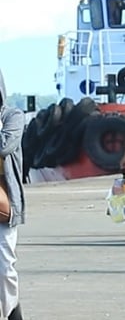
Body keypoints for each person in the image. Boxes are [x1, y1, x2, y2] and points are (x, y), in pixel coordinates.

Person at [0, 69, 25, 319]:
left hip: (4, 201)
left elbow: (5, 146)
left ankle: (12, 311)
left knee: (5, 266)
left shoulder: (12, 116)